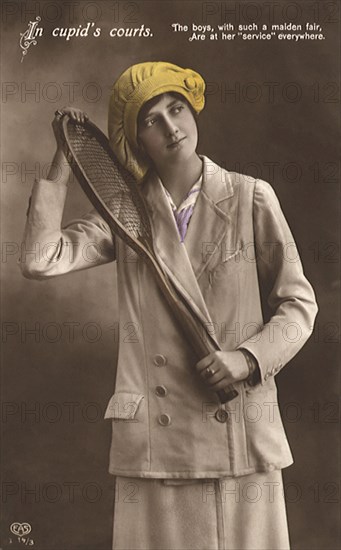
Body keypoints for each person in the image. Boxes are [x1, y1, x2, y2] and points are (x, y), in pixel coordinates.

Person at [20, 61, 318, 550]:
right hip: (156, 449)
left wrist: (247, 359)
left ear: (193, 112)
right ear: (136, 139)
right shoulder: (123, 212)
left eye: (176, 109)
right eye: (151, 120)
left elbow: (298, 305)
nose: (170, 127)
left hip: (239, 432)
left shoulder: (251, 197)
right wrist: (63, 159)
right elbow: (38, 260)